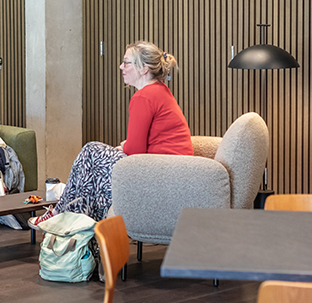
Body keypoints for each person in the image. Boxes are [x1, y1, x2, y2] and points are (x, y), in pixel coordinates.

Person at [30, 40, 193, 228]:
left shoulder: (144, 96)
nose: (121, 67)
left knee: (91, 151)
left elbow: (135, 151)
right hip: (171, 172)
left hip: (157, 172)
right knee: (93, 168)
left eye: (126, 62)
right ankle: (68, 217)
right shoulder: (160, 90)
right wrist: (125, 145)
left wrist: (124, 145)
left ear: (143, 69)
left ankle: (62, 215)